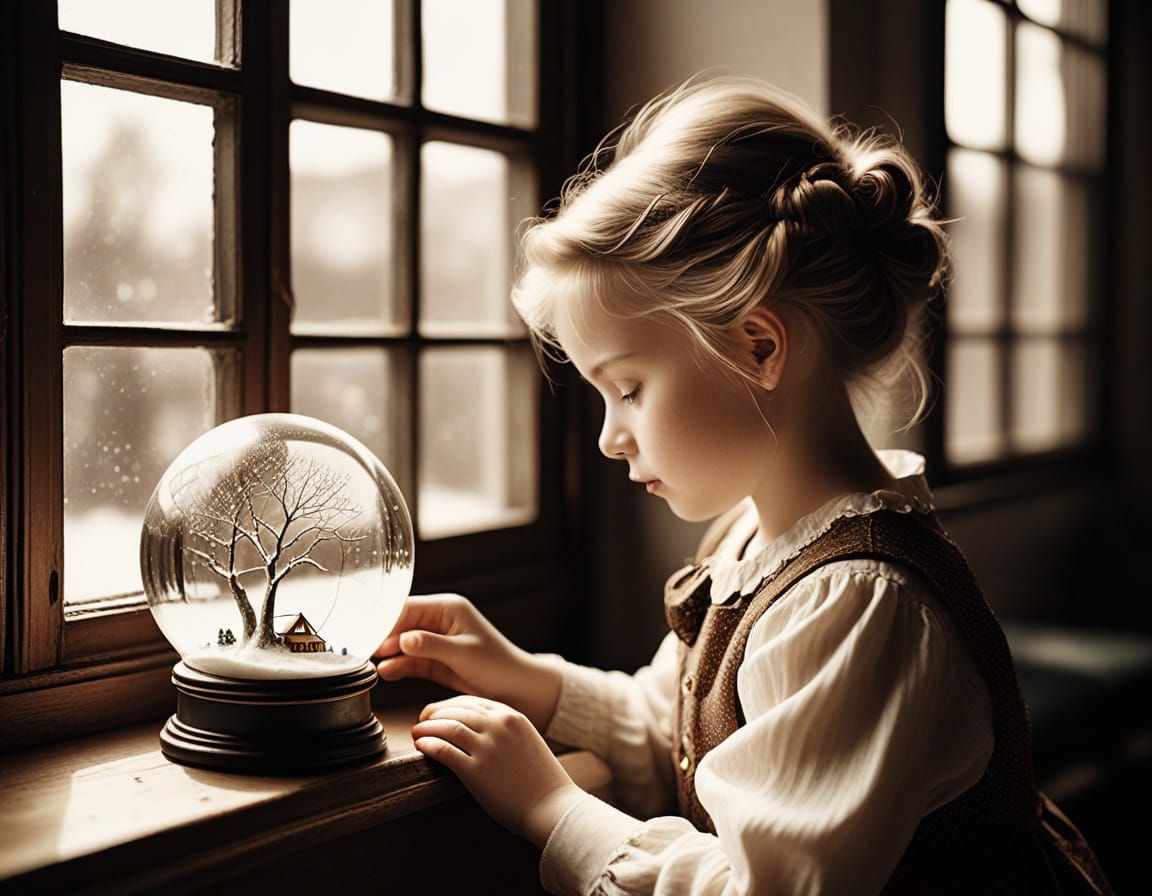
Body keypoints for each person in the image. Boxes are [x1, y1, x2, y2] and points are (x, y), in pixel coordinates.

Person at [374, 76, 1113, 894]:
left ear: (759, 347)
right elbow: (685, 733)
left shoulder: (863, 604)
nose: (610, 438)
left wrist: (552, 807)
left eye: (628, 389)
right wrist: (527, 677)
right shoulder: (759, 540)